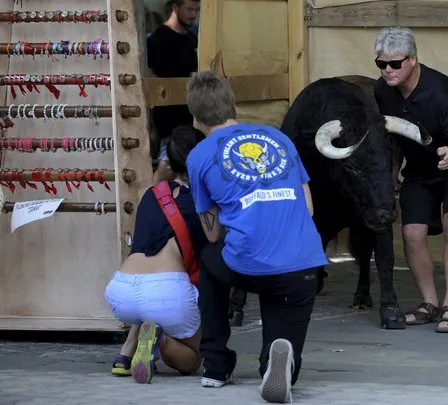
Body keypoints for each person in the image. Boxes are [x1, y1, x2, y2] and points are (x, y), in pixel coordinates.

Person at [184, 71, 327, 403]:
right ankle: (278, 362)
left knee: (209, 258)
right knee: (284, 329)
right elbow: (307, 207)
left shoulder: (200, 156)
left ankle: (216, 367)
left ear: (195, 117)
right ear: (233, 104)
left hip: (246, 264)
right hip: (303, 264)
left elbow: (213, 231)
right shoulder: (278, 139)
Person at [373, 26, 448, 333]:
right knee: (411, 232)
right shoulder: (382, 90)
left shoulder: (442, 90)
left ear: (412, 59)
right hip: (421, 167)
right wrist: (391, 170)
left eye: (394, 63)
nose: (387, 70)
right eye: (381, 63)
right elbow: (392, 135)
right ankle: (429, 304)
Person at [105, 125, 208, 383]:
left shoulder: (150, 195)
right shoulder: (201, 201)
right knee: (193, 359)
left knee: (151, 307)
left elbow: (161, 190)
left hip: (122, 290)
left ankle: (126, 352)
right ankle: (159, 339)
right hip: (166, 292)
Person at [146, 0, 200, 160]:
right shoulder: (158, 39)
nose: (193, 15)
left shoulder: (191, 38)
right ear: (176, 7)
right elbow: (149, 77)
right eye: (189, 9)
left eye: (196, 10)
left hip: (190, 120)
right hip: (167, 125)